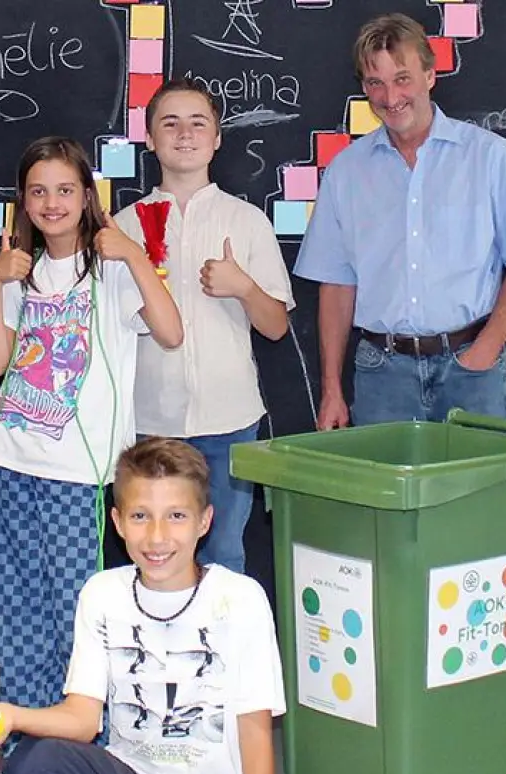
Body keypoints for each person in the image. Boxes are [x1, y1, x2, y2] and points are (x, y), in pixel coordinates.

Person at [0, 437, 286, 774]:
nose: (157, 537)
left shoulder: (241, 600)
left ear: (205, 522)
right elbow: (82, 720)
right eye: (140, 516)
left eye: (176, 516)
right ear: (118, 522)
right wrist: (7, 714)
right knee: (35, 765)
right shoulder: (102, 594)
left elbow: (256, 736)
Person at [0, 136, 183, 727]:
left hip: (80, 472)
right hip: (9, 457)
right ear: (22, 201)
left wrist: (136, 256)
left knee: (78, 604)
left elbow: (170, 332)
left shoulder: (112, 268)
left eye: (65, 189)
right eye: (38, 191)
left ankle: (83, 728)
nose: (52, 202)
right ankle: (25, 723)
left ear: (86, 196)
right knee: (16, 602)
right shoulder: (19, 269)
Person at [294, 13, 506, 429]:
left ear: (430, 76)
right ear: (363, 88)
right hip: (383, 375)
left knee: (479, 494)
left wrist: (485, 350)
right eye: (375, 83)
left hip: (472, 369)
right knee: (384, 495)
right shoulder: (346, 171)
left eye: (402, 78)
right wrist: (331, 389)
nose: (390, 96)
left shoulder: (490, 156)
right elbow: (336, 283)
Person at [116, 79, 293, 577]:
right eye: (169, 123)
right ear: (149, 138)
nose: (185, 134)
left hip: (230, 420)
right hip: (151, 421)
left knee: (225, 557)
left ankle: (221, 656)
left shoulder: (248, 220)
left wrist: (243, 287)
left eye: (199, 123)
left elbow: (276, 326)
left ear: (217, 138)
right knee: (155, 555)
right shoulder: (122, 228)